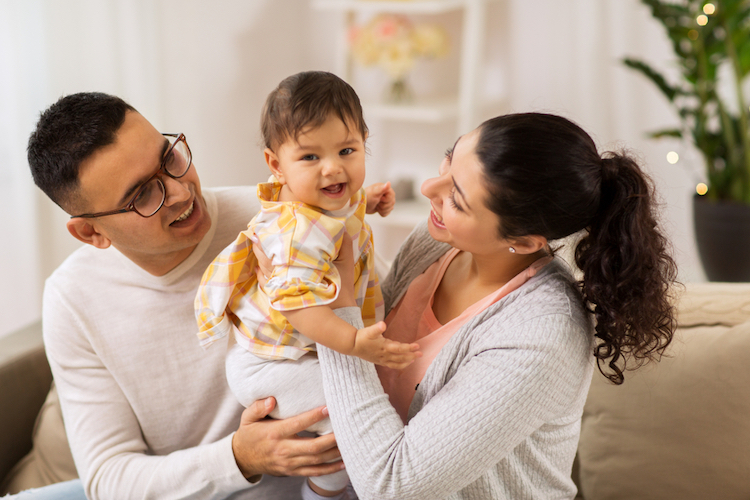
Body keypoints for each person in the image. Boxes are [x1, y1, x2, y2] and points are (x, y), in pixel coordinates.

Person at [308, 113, 679, 499]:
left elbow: (391, 486)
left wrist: (329, 305)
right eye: (450, 160)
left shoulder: (543, 332)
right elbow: (361, 377)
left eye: (457, 198)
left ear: (523, 240)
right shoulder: (436, 242)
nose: (427, 187)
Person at [22, 92, 350, 500]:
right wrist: (239, 458)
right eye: (142, 194)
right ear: (92, 233)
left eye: (170, 158)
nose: (180, 192)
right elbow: (108, 478)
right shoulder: (71, 298)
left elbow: (393, 317)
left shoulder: (281, 215)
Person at [194, 71, 417, 499]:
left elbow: (341, 211)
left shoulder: (325, 200)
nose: (333, 168)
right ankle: (325, 492)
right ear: (276, 164)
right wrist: (353, 342)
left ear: (364, 142)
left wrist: (367, 200)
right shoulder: (296, 232)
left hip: (296, 349)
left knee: (363, 416)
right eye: (310, 158)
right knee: (345, 420)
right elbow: (302, 309)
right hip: (272, 361)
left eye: (347, 150)